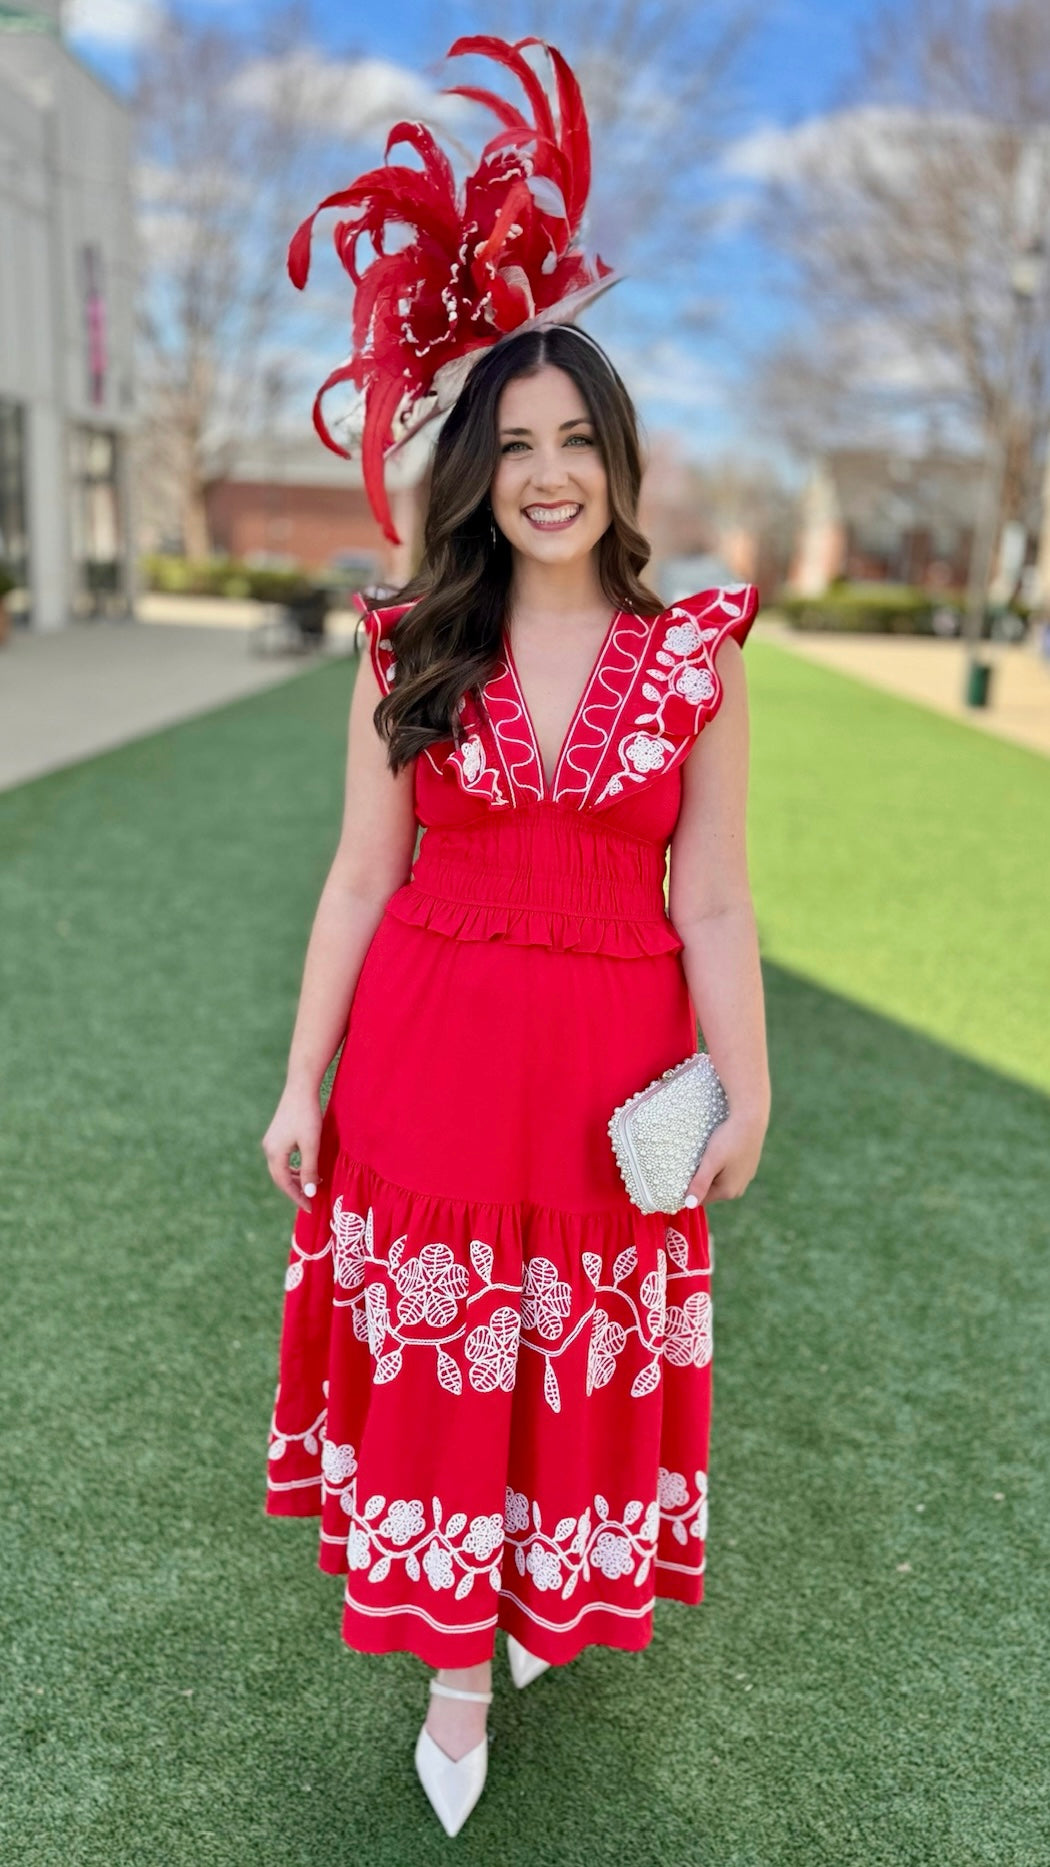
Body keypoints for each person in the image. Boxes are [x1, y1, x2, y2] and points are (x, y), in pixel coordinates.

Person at [261, 36, 771, 1839]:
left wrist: (749, 1087)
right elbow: (352, 880)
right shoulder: (408, 651)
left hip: (616, 1074)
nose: (547, 475)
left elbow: (709, 891)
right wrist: (301, 1080)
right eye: (514, 447)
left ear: (620, 465)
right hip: (432, 1060)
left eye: (578, 444)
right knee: (450, 1361)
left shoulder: (694, 657)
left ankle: (541, 1607)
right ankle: (455, 1671)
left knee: (570, 1366)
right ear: (470, 470)